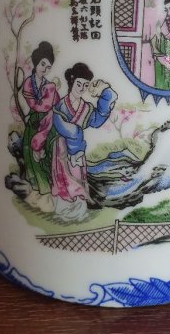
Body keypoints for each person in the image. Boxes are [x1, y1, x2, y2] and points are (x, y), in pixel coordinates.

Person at [49, 63, 117, 222]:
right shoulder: (61, 105)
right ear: (72, 81)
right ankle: (64, 207)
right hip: (63, 149)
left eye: (85, 85)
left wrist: (106, 95)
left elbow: (97, 120)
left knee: (78, 174)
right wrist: (76, 138)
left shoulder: (85, 107)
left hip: (78, 151)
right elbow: (60, 125)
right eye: (79, 84)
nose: (81, 88)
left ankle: (80, 204)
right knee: (65, 177)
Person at [21, 42, 59, 212]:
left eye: (48, 67)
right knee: (29, 156)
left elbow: (51, 104)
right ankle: (36, 190)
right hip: (33, 123)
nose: (45, 69)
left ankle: (46, 194)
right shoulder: (29, 83)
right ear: (36, 62)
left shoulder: (48, 85)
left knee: (43, 159)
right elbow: (35, 104)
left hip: (46, 124)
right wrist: (47, 97)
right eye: (43, 64)